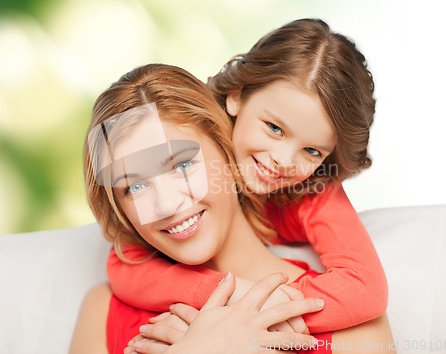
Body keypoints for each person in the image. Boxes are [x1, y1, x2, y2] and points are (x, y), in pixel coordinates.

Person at [70, 64, 394, 354]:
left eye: (182, 165)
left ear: (227, 147)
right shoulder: (102, 309)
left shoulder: (353, 327)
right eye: (134, 187)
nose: (167, 204)